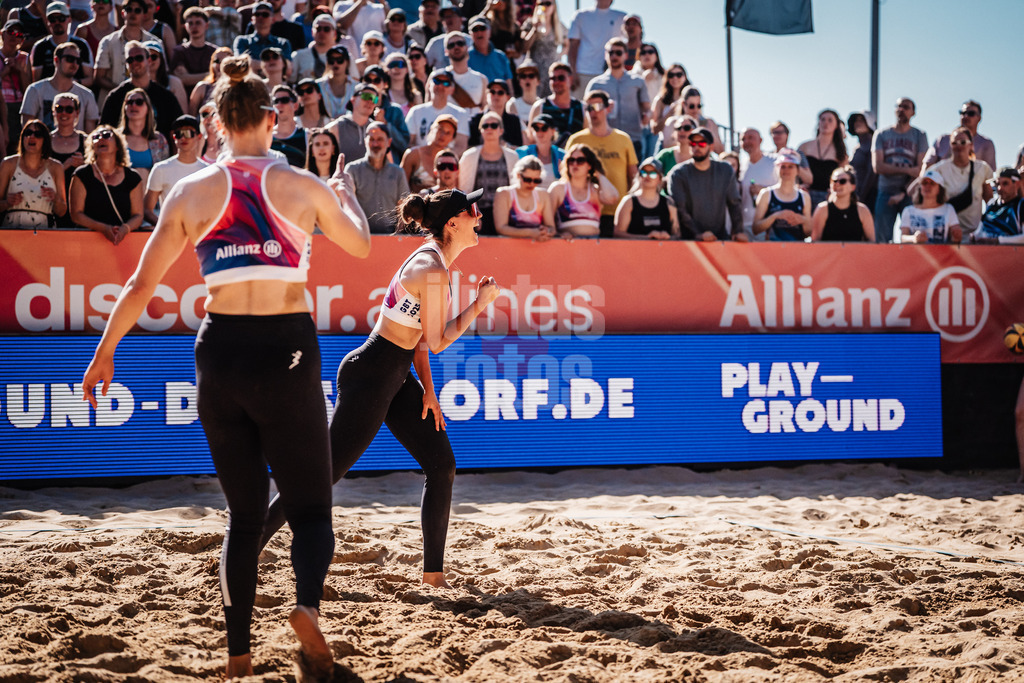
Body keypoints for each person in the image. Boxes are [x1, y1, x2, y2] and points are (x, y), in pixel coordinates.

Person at [82, 54, 371, 681]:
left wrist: (104, 352)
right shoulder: (300, 184)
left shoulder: (191, 190)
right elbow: (361, 245)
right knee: (312, 506)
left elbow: (138, 285)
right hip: (285, 347)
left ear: (214, 121)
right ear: (273, 118)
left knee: (243, 516)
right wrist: (343, 198)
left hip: (220, 351)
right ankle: (305, 609)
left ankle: (238, 655)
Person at [564, 89, 636, 237]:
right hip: (586, 214)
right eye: (589, 108)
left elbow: (633, 176)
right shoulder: (576, 141)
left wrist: (631, 208)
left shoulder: (624, 139)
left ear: (608, 108)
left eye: (597, 107)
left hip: (619, 214)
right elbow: (566, 174)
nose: (593, 112)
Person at [668, 126, 745, 242]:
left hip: (719, 239)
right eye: (693, 144)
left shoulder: (725, 170)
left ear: (711, 147)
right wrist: (698, 234)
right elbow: (680, 209)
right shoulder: (678, 173)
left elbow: (734, 203)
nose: (697, 147)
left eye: (702, 144)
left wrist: (739, 231)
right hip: (688, 241)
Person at [68, 125, 143, 243]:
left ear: (118, 145)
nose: (100, 139)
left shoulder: (133, 178)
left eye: (106, 135)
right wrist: (103, 229)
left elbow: (138, 215)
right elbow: (76, 215)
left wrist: (124, 229)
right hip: (87, 241)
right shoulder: (81, 174)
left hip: (122, 242)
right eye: (96, 137)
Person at [872, 97, 928, 244]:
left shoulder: (919, 135)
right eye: (898, 106)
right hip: (885, 192)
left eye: (906, 107)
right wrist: (909, 170)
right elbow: (878, 167)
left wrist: (903, 191)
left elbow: (920, 170)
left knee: (912, 238)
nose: (901, 110)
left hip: (910, 193)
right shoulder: (881, 134)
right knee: (882, 239)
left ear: (913, 112)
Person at [100, 40, 182, 137]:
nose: (134, 62)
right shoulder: (115, 97)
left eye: (139, 58)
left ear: (149, 61)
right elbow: (104, 130)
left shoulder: (166, 97)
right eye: (130, 60)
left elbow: (177, 129)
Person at [584, 37, 648, 160]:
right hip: (604, 140)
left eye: (618, 53)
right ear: (605, 55)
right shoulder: (596, 84)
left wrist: (647, 116)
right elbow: (586, 111)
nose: (614, 56)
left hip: (633, 139)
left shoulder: (638, 81)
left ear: (625, 55)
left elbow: (647, 108)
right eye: (610, 53)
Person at [457, 110, 518, 235]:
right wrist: (473, 212)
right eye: (485, 126)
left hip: (506, 214)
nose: (489, 128)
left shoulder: (513, 156)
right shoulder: (469, 156)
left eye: (494, 125)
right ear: (481, 130)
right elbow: (464, 189)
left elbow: (516, 187)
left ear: (501, 130)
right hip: (479, 214)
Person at [928, 126, 993, 236]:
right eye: (954, 143)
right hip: (946, 235)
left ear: (971, 145)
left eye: (963, 142)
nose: (959, 146)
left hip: (974, 236)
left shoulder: (983, 168)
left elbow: (990, 202)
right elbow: (920, 192)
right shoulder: (939, 169)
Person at [0, 119, 66, 228]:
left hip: (45, 231)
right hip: (13, 230)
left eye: (38, 134)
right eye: (28, 133)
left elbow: (62, 211)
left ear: (45, 140)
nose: (32, 137)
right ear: (22, 137)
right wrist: (7, 203)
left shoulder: (56, 167)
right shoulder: (8, 164)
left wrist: (55, 199)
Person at [20, 40, 98, 131]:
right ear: (56, 60)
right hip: (44, 144)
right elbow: (27, 130)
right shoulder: (35, 90)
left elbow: (89, 136)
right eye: (70, 59)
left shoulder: (87, 95)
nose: (74, 64)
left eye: (78, 61)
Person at [346, 120, 409, 232]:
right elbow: (347, 205)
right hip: (360, 236)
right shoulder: (352, 170)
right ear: (365, 142)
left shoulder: (398, 173)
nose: (375, 144)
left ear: (389, 142)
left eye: (380, 139)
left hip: (390, 239)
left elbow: (403, 208)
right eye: (372, 139)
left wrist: (397, 237)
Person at [143, 114, 207, 224]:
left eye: (188, 133)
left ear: (199, 136)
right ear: (174, 137)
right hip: (172, 238)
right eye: (178, 134)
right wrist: (165, 228)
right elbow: (146, 210)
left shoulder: (208, 171)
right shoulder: (161, 169)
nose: (183, 138)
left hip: (200, 236)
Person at [92, 0, 158, 104]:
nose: (133, 13)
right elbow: (99, 77)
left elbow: (160, 74)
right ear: (122, 13)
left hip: (145, 103)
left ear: (144, 15)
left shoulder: (154, 42)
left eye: (137, 10)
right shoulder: (108, 41)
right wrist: (123, 91)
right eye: (129, 9)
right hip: (112, 103)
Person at [548, 142, 617, 238]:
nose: (575, 164)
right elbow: (548, 223)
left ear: (589, 165)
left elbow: (612, 198)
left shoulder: (596, 190)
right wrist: (559, 235)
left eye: (580, 160)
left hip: (593, 247)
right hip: (567, 245)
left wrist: (598, 171)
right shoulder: (558, 189)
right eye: (571, 160)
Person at [567, 0, 624, 98]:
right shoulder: (580, 16)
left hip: (609, 75)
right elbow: (572, 46)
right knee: (581, 109)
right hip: (582, 74)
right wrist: (573, 73)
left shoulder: (622, 18)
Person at [752, 149, 811, 242]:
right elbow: (755, 229)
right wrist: (775, 216)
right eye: (783, 166)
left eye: (790, 166)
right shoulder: (766, 194)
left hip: (797, 251)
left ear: (798, 170)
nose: (786, 170)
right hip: (773, 251)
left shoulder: (804, 197)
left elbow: (809, 232)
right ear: (777, 168)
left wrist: (802, 220)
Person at [29, 1, 93, 85]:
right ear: (47, 21)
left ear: (69, 19)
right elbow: (36, 81)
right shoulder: (40, 47)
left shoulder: (81, 45)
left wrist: (70, 84)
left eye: (61, 18)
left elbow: (90, 79)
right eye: (52, 19)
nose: (57, 22)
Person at [493, 154, 556, 239]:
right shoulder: (504, 194)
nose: (532, 184)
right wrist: (530, 232)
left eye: (536, 180)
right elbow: (501, 228)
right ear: (518, 175)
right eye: (528, 179)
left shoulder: (543, 195)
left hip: (536, 248)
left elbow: (551, 227)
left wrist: (546, 231)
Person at [923, 100, 996, 172]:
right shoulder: (942, 139)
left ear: (979, 118)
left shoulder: (986, 144)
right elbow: (927, 166)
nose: (966, 116)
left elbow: (988, 174)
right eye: (962, 113)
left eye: (971, 113)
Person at [613, 156, 677, 240]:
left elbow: (677, 234)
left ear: (660, 178)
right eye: (644, 173)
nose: (647, 176)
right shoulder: (629, 201)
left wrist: (667, 237)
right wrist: (647, 238)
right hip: (635, 251)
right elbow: (618, 233)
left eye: (653, 174)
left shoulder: (668, 203)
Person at [405, 70, 469, 153]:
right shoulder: (415, 111)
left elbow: (461, 147)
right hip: (420, 161)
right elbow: (409, 142)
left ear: (452, 90)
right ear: (428, 85)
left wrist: (442, 159)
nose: (440, 86)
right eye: (436, 81)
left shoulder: (461, 114)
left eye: (446, 83)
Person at [810, 164, 875, 242]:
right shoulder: (822, 209)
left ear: (853, 187)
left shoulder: (863, 211)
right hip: (829, 254)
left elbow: (871, 242)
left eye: (842, 181)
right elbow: (815, 242)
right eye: (834, 181)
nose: (837, 184)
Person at [895, 167, 960, 244]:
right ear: (920, 187)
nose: (927, 186)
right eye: (924, 183)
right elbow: (902, 237)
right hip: (915, 254)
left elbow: (955, 237)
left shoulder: (948, 209)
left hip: (942, 255)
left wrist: (956, 236)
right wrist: (914, 238)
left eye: (932, 183)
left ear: (940, 188)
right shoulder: (908, 210)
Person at [797, 108, 847, 207]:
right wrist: (797, 185)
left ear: (836, 125)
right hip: (805, 195)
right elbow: (793, 169)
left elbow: (844, 177)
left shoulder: (840, 152)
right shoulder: (805, 146)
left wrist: (835, 191)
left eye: (830, 120)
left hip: (828, 198)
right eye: (822, 119)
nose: (825, 123)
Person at [528, 62, 582, 147]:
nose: (556, 82)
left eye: (561, 78)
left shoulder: (581, 107)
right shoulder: (540, 106)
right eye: (553, 78)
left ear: (570, 79)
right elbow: (531, 139)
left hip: (575, 159)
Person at [401, 113, 456, 194]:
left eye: (448, 133)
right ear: (432, 128)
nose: (443, 135)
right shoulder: (413, 154)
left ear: (452, 138)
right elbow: (400, 187)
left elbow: (455, 189)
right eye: (440, 129)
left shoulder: (452, 160)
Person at [326, 81, 377, 166]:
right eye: (366, 96)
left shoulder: (376, 129)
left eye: (374, 99)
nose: (370, 101)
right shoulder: (336, 127)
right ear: (353, 99)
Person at [519, 0, 563, 98]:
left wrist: (559, 55)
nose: (545, 7)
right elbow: (524, 47)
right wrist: (534, 29)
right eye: (541, 4)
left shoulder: (558, 25)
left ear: (554, 6)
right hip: (534, 73)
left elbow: (567, 44)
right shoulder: (530, 23)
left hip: (552, 73)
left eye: (548, 3)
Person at [737, 127, 776, 238]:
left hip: (768, 226)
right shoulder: (740, 165)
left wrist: (764, 191)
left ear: (761, 140)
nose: (746, 142)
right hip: (744, 227)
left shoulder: (774, 162)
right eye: (743, 139)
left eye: (751, 138)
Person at [1, 20, 32, 154]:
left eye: (18, 34)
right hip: (1, 104)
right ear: (2, 34)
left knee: (16, 145)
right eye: (10, 32)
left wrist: (20, 71)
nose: (14, 36)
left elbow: (29, 90)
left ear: (22, 40)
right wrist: (4, 72)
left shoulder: (25, 58)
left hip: (18, 105)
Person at [169, 7, 217, 93]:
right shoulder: (180, 51)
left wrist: (192, 77)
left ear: (206, 25)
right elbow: (182, 79)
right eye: (190, 23)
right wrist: (210, 74)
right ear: (185, 26)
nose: (194, 26)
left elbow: (220, 77)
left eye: (198, 23)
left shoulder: (214, 51)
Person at [973, 167, 1024, 245]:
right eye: (997, 184)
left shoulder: (1020, 206)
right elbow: (979, 231)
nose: (1000, 188)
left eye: (1005, 183)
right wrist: (974, 237)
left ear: (1016, 184)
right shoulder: (991, 205)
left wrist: (998, 241)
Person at [467, 78, 521, 147]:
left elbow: (519, 147)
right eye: (492, 92)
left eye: (500, 92)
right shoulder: (475, 120)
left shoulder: (514, 121)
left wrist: (506, 147)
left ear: (507, 97)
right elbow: (470, 146)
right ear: (487, 95)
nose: (496, 95)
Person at [515, 112, 562, 189]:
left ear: (553, 131)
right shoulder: (521, 153)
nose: (540, 132)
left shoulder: (562, 155)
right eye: (536, 129)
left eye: (544, 128)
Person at [442, 30, 486, 112]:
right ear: (446, 51)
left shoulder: (482, 79)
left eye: (460, 43)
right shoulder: (438, 77)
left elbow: (485, 109)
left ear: (467, 47)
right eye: (451, 45)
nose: (456, 47)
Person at [290, 12, 338, 83]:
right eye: (318, 28)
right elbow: (290, 82)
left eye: (326, 29)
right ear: (312, 32)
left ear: (335, 34)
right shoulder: (298, 56)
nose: (322, 32)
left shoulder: (342, 58)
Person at [144, 41, 188, 116]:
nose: (150, 60)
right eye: (147, 56)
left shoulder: (174, 82)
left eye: (154, 57)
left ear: (161, 59)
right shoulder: (134, 83)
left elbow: (183, 114)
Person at [648, 59, 684, 152]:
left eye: (679, 75)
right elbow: (654, 129)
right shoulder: (660, 100)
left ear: (685, 77)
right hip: (664, 146)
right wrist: (670, 112)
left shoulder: (690, 99)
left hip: (686, 146)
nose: (675, 78)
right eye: (671, 75)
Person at [466, 16, 512, 85]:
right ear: (470, 34)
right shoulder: (465, 58)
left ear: (490, 32)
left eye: (482, 28)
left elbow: (509, 85)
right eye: (475, 29)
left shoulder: (501, 56)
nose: (479, 32)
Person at [846, 110, 877, 213]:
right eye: (856, 120)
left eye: (862, 120)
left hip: (869, 196)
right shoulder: (857, 148)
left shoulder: (873, 145)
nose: (857, 123)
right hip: (856, 194)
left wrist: (862, 195)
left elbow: (871, 172)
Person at [269, 83, 306, 166]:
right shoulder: (266, 137)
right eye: (276, 101)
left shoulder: (306, 136)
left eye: (284, 100)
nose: (279, 104)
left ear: (295, 106)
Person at [188, 46, 232, 116]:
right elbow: (191, 116)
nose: (220, 64)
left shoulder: (236, 88)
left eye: (224, 61)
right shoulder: (202, 87)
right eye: (217, 61)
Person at [316, 45, 355, 119]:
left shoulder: (357, 87)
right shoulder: (317, 85)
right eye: (331, 60)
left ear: (348, 62)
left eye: (340, 60)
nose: (335, 63)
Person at [382, 52, 421, 116]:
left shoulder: (416, 96)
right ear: (386, 70)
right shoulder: (381, 95)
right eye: (392, 65)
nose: (396, 68)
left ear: (407, 69)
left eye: (401, 64)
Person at [507, 61, 539, 133]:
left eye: (531, 76)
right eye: (523, 76)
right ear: (519, 81)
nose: (527, 79)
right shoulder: (512, 104)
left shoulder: (543, 105)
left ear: (538, 81)